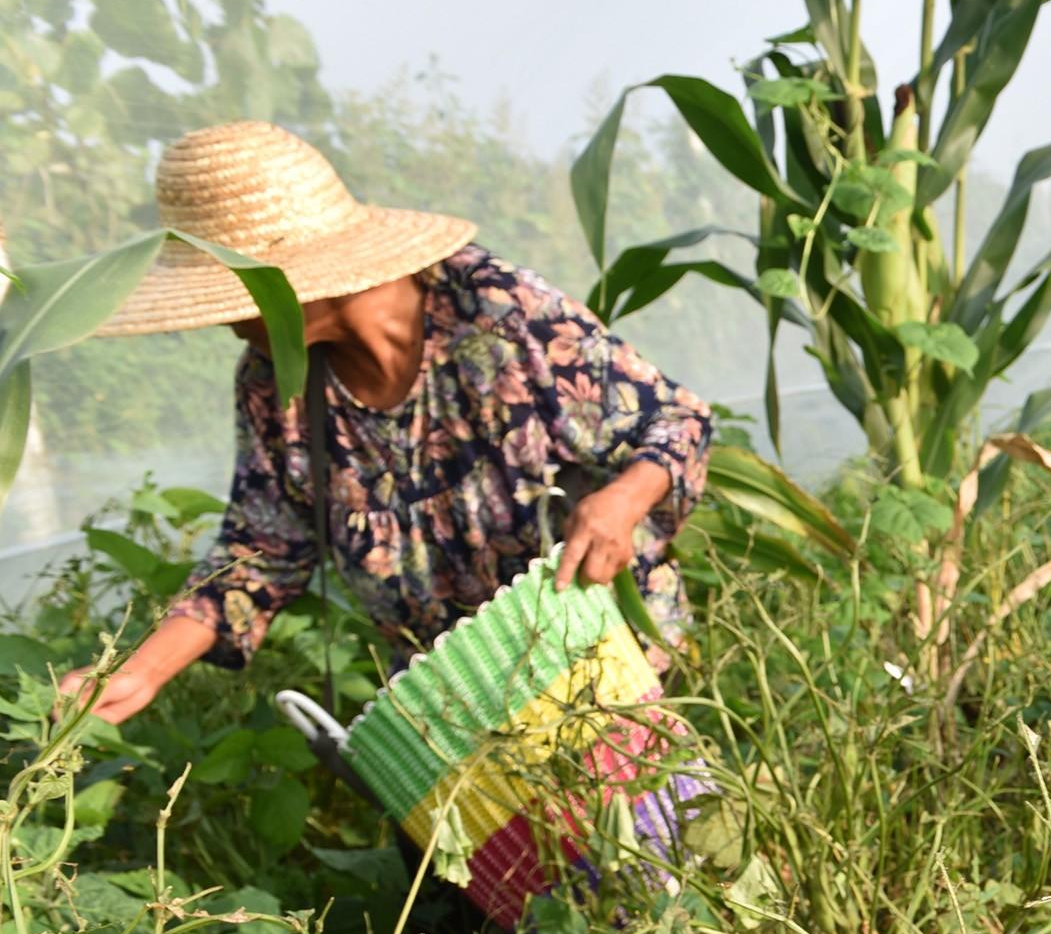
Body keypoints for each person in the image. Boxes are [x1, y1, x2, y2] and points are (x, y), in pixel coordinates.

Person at [60, 120, 711, 725]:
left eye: (230, 298)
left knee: (639, 845)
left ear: (301, 280)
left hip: (606, 670)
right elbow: (257, 556)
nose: (224, 320)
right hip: (455, 714)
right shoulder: (278, 382)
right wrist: (136, 673)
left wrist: (621, 501)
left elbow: (677, 422)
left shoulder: (494, 312)